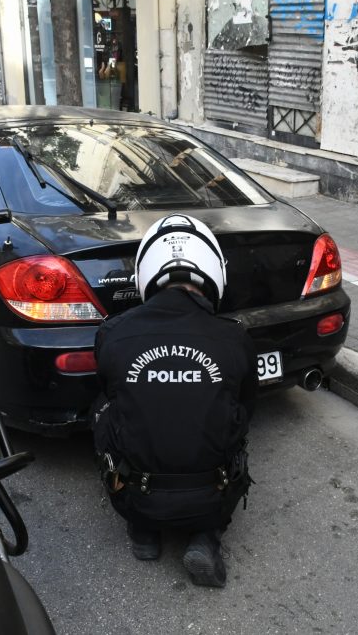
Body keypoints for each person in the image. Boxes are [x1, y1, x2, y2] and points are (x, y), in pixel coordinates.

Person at [92, 214, 257, 588]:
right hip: (212, 497)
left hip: (137, 495)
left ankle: (143, 532)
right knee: (232, 416)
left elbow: (111, 391)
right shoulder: (234, 338)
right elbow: (248, 408)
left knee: (102, 407)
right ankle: (206, 536)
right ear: (214, 269)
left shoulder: (113, 333)